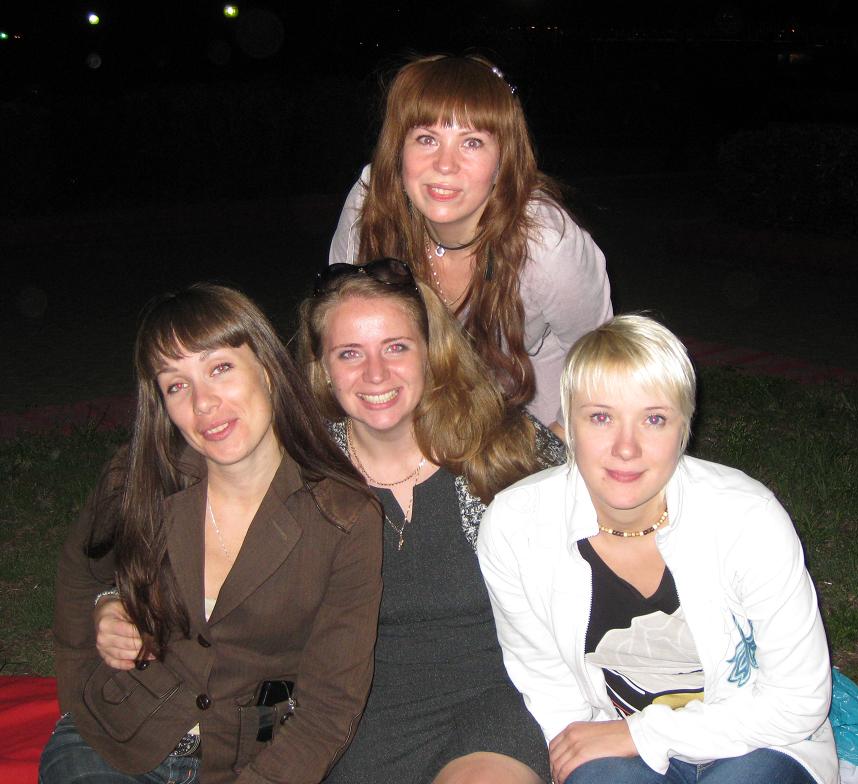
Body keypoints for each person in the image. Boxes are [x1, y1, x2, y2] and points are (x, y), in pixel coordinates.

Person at [40, 284, 383, 784]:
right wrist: (92, 641)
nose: (203, 403)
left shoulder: (343, 518)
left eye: (220, 368)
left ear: (267, 368)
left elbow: (330, 708)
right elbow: (82, 571)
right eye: (176, 386)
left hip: (250, 763)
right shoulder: (137, 478)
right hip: (115, 742)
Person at [477, 315, 838, 784]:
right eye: (601, 417)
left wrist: (643, 733)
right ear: (567, 425)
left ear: (685, 427)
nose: (626, 448)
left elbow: (798, 700)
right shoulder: (516, 527)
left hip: (757, 736)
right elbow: (549, 689)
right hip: (610, 737)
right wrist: (599, 748)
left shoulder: (747, 518)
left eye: (654, 419)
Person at [296, 258, 566, 783]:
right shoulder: (303, 474)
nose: (376, 374)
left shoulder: (505, 448)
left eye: (396, 347)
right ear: (323, 368)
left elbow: (614, 525)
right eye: (350, 353)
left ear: (431, 352)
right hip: (351, 719)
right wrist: (127, 604)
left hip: (496, 703)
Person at [329, 54, 613, 430]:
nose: (445, 164)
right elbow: (338, 322)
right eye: (427, 139)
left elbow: (602, 355)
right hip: (421, 405)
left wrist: (555, 444)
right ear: (398, 150)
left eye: (472, 142)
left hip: (531, 408)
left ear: (503, 161)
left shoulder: (547, 244)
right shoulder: (371, 204)